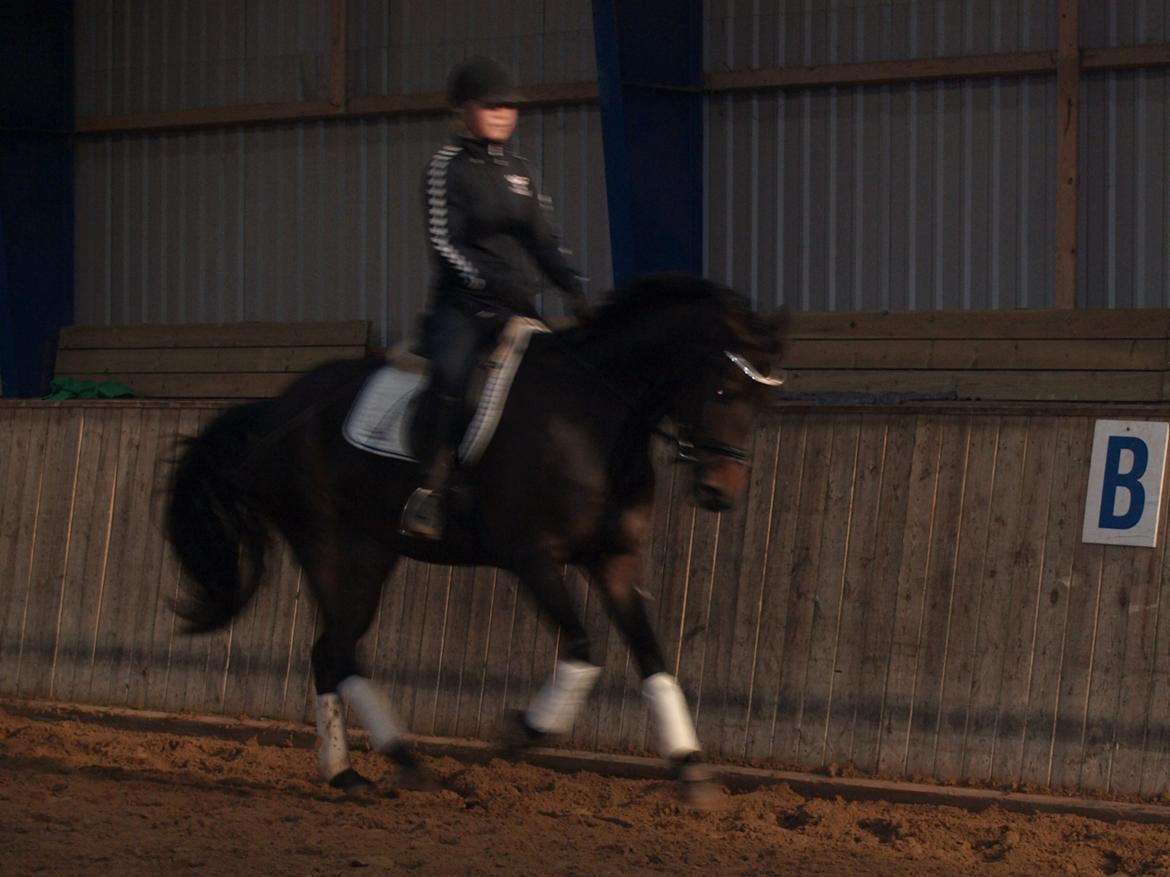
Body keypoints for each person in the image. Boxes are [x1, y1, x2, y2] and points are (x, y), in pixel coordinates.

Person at [401, 56, 591, 540]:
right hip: (461, 307)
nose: (505, 113)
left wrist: (572, 286)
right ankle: (431, 489)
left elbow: (544, 239)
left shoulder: (522, 171)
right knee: (451, 375)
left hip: (517, 306)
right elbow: (446, 244)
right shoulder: (445, 169)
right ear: (465, 110)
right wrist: (484, 284)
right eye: (492, 106)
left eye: (510, 106)